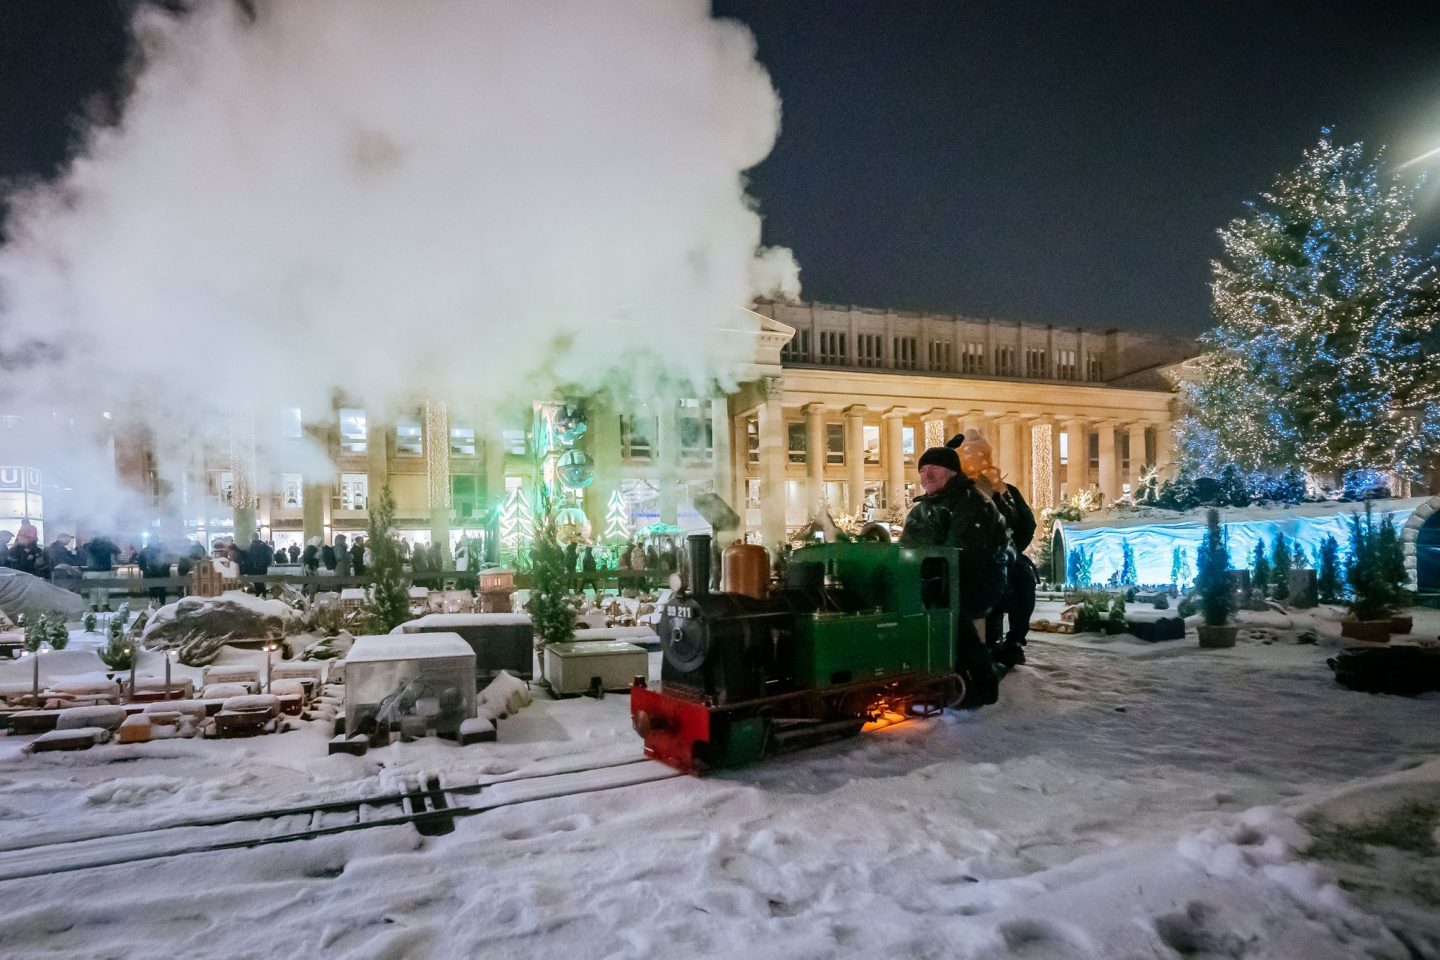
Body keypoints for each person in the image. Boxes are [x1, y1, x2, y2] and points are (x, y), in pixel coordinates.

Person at [899, 445, 1010, 707]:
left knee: (946, 605)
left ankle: (982, 679)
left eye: (934, 469)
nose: (926, 475)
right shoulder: (921, 510)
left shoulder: (971, 502)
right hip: (937, 575)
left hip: (980, 576)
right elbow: (905, 548)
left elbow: (961, 551)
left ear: (951, 471)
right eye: (922, 471)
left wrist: (925, 573)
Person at [949, 431, 1036, 667]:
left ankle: (1014, 642)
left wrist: (1010, 550)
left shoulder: (1005, 490)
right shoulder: (952, 492)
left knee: (1022, 580)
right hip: (960, 559)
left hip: (1003, 556)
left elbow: (1026, 524)